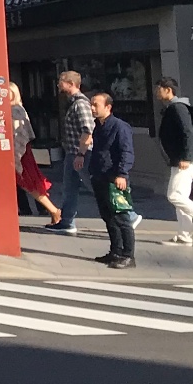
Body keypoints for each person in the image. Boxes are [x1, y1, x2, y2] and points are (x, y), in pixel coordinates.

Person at [85, 91, 137, 268]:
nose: (92, 108)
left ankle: (128, 255)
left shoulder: (119, 126)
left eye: (95, 105)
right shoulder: (98, 126)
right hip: (99, 175)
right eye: (91, 104)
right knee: (108, 217)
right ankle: (115, 251)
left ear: (108, 107)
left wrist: (122, 174)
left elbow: (126, 152)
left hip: (114, 177)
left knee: (121, 217)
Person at [48, 71, 90, 234]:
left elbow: (88, 129)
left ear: (71, 84)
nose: (59, 85)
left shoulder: (80, 104)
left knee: (95, 186)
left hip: (81, 153)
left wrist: (81, 153)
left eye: (61, 82)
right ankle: (67, 222)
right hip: (72, 152)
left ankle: (128, 215)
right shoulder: (73, 103)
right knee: (69, 188)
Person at [11, 83, 59, 224]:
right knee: (27, 184)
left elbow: (20, 135)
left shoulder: (15, 110)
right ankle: (52, 210)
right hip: (20, 152)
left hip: (21, 153)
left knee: (29, 183)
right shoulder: (17, 109)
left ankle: (54, 211)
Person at [157, 77, 193, 248]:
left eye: (159, 88)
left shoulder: (178, 108)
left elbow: (188, 133)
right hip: (178, 159)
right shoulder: (172, 108)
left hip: (184, 160)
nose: (157, 91)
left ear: (168, 90)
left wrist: (186, 157)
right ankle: (184, 235)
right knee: (182, 196)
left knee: (174, 196)